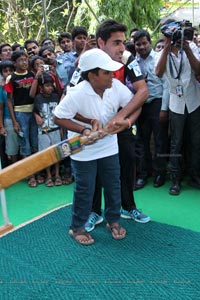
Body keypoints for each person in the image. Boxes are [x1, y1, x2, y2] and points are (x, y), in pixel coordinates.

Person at [53, 48, 138, 245]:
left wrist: (127, 122)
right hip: (82, 151)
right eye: (106, 72)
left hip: (109, 147)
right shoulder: (76, 93)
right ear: (92, 75)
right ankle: (77, 227)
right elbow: (58, 117)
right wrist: (83, 131)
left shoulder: (116, 87)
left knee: (113, 184)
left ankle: (113, 221)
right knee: (85, 188)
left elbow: (135, 104)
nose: (112, 76)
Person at [82, 19, 150, 232]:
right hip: (95, 131)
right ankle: (94, 211)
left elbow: (143, 91)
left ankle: (127, 207)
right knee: (95, 169)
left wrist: (124, 119)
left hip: (121, 127)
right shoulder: (87, 61)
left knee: (128, 162)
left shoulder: (129, 59)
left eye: (123, 42)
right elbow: (71, 94)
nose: (122, 48)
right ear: (101, 43)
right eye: (116, 43)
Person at [155, 19, 200, 195]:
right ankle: (175, 180)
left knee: (196, 142)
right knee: (176, 143)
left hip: (195, 101)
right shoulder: (161, 53)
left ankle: (195, 177)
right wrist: (167, 47)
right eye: (169, 35)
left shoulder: (192, 48)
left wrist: (187, 48)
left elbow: (199, 70)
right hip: (176, 104)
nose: (173, 37)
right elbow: (158, 73)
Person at [133, 29, 169, 189]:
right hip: (141, 105)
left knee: (160, 141)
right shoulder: (133, 62)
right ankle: (143, 174)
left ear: (150, 43)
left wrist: (164, 108)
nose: (141, 47)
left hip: (157, 103)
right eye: (138, 44)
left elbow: (166, 85)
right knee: (142, 141)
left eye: (144, 43)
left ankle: (160, 173)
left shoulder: (160, 58)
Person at [4, 50, 38, 187]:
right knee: (25, 145)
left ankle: (37, 172)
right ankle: (30, 175)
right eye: (21, 60)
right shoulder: (11, 78)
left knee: (35, 143)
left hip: (34, 112)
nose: (24, 62)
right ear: (14, 63)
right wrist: (14, 121)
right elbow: (9, 101)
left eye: (26, 59)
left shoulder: (32, 74)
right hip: (20, 114)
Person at [33, 73, 62, 187]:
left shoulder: (56, 97)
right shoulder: (38, 98)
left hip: (55, 129)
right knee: (46, 154)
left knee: (57, 154)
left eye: (51, 85)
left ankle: (57, 174)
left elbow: (60, 114)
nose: (50, 88)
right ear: (41, 87)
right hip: (43, 130)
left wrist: (61, 128)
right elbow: (34, 111)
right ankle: (49, 175)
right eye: (47, 85)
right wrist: (36, 115)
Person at [0, 60, 19, 165]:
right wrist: (1, 126)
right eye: (5, 71)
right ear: (2, 74)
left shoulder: (20, 83)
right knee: (12, 146)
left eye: (11, 70)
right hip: (8, 120)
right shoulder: (1, 89)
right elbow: (1, 109)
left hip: (21, 116)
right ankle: (15, 169)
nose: (8, 73)